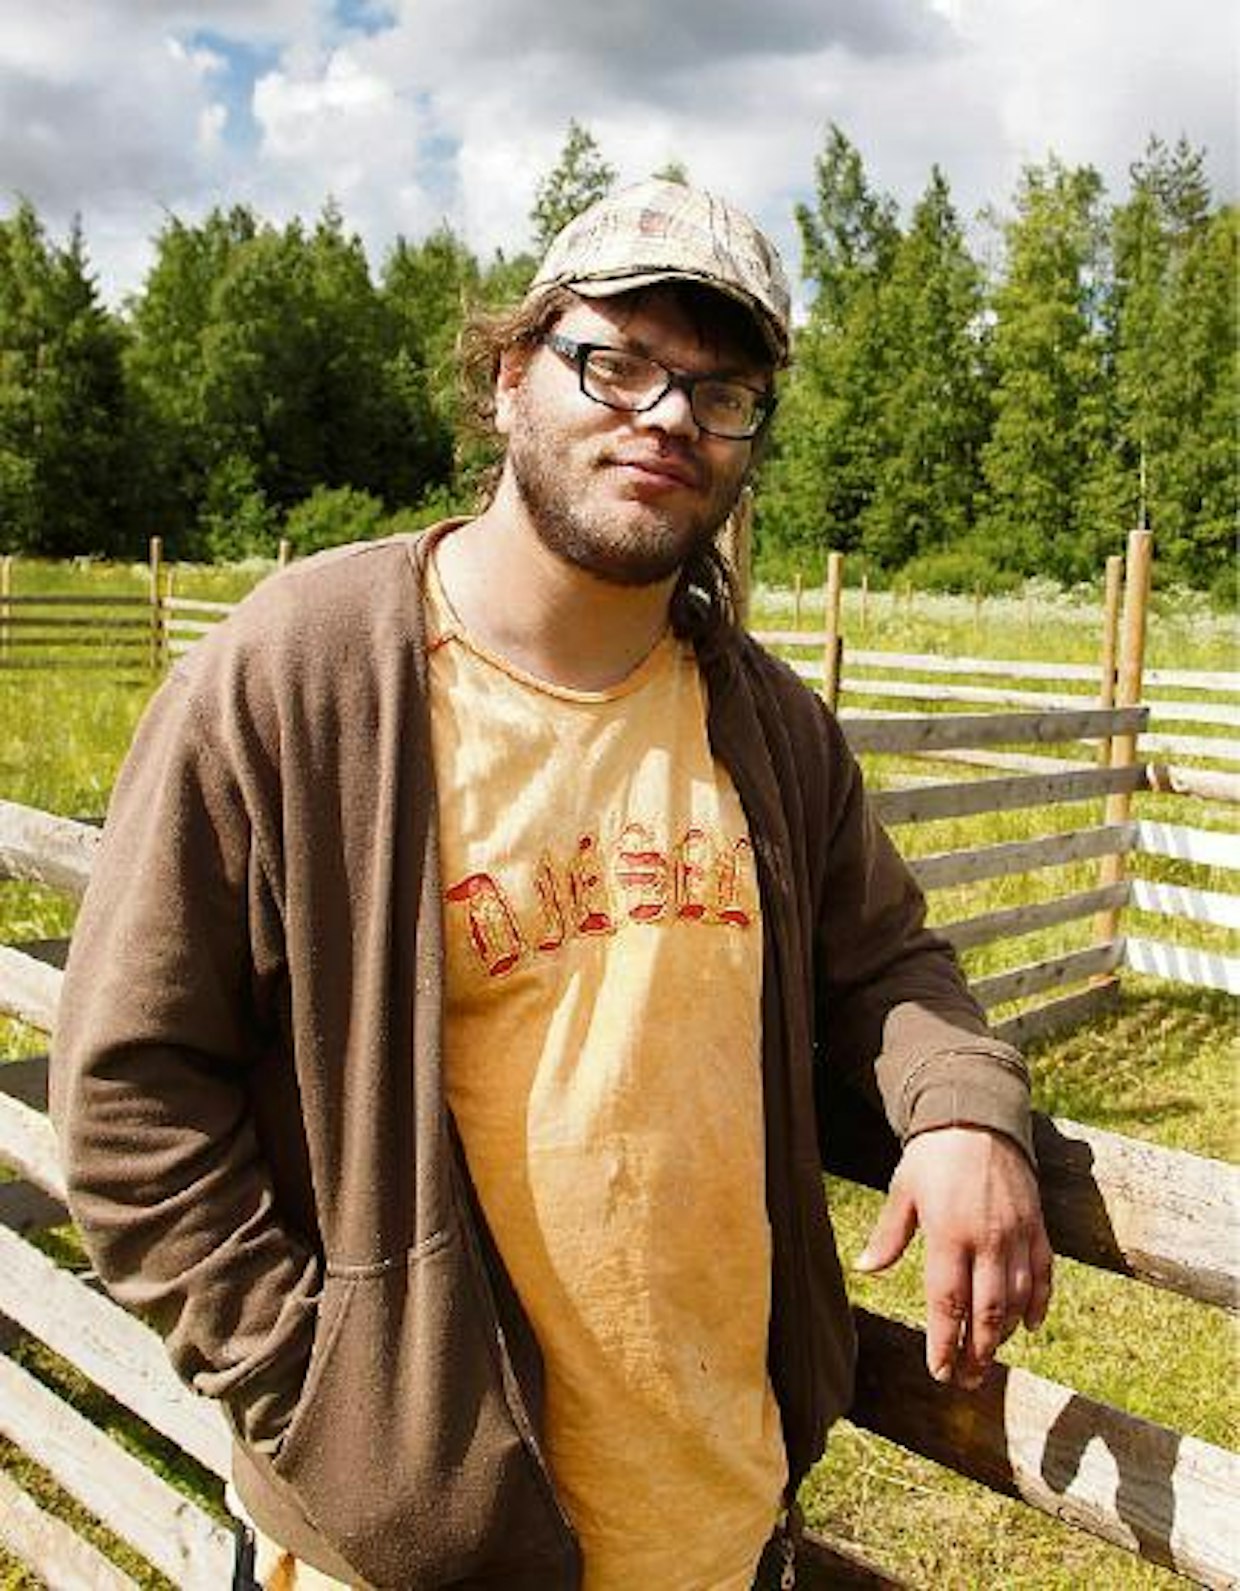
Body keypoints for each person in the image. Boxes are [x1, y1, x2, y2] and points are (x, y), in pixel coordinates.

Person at [50, 178, 1052, 1591]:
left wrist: (961, 1113)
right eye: (618, 362)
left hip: (717, 1528)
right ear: (511, 374)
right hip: (397, 1552)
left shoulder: (771, 727)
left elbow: (890, 965)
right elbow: (130, 1087)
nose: (669, 417)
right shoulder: (298, 678)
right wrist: (326, 1405)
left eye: (720, 392)